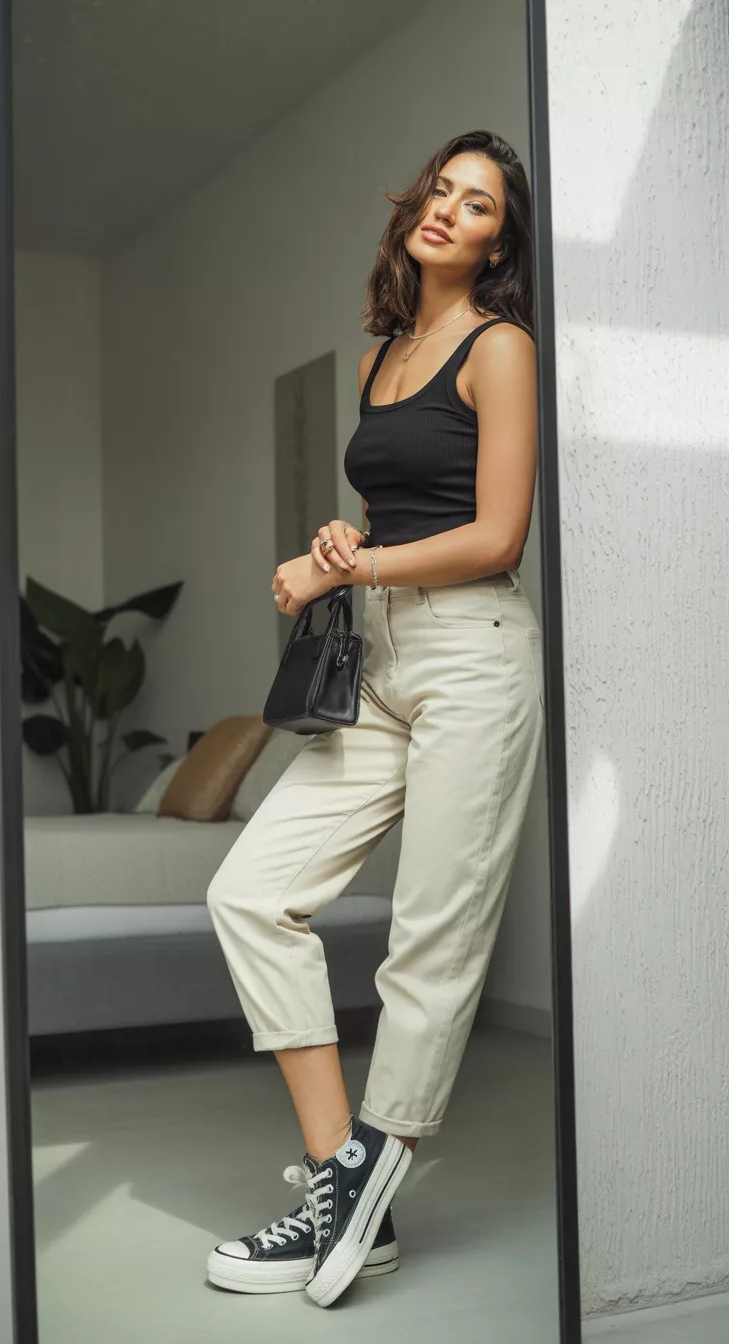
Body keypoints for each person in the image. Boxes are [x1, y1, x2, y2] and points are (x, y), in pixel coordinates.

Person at [205, 129, 544, 1309]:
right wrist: (345, 541)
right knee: (251, 894)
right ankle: (342, 1181)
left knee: (429, 931)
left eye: (479, 203)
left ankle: (356, 1186)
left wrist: (350, 569)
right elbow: (398, 511)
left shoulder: (502, 348)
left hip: (473, 655)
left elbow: (496, 534)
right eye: (441, 190)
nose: (450, 209)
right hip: (382, 658)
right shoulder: (380, 356)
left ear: (499, 243)